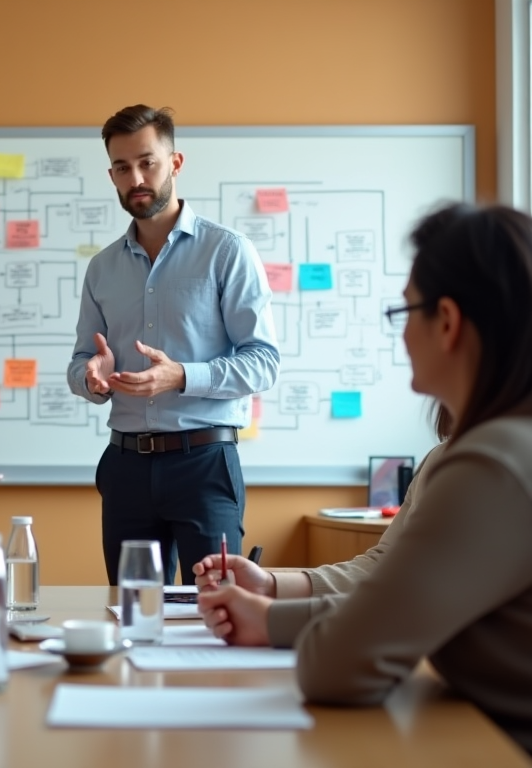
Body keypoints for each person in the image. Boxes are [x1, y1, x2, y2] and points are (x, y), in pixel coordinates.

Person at [198, 203, 532, 755]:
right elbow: (400, 600)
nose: (401, 338)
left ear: (446, 322)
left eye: (406, 314)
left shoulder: (490, 467)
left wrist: (275, 620)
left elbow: (338, 667)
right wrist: (273, 615)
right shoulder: (502, 448)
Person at [67, 104, 280, 585]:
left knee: (217, 610)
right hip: (124, 467)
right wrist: (91, 377)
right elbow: (81, 359)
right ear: (112, 175)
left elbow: (264, 363)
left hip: (204, 464)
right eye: (122, 167)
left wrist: (180, 375)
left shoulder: (227, 252)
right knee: (133, 617)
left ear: (175, 163)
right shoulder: (102, 268)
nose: (136, 177)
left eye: (148, 162)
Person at [192, 404, 450, 604]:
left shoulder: (474, 467)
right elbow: (385, 566)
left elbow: (419, 591)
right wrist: (268, 584)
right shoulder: (439, 458)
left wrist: (273, 621)